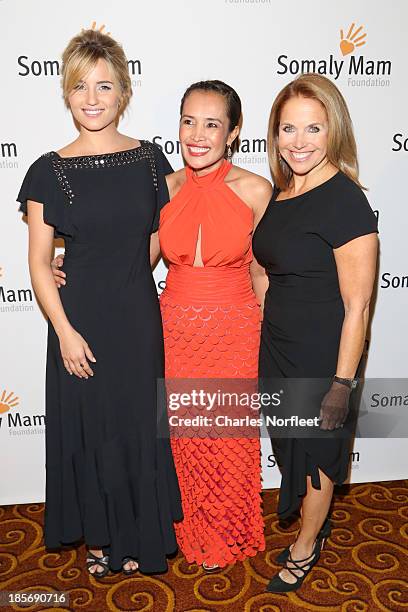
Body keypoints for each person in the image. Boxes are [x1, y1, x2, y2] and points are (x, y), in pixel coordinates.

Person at [54, 80, 272, 571]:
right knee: (182, 439)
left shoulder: (257, 190)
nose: (197, 134)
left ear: (234, 133)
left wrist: (271, 338)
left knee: (226, 436)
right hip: (173, 327)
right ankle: (183, 529)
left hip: (234, 328)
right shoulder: (163, 187)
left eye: (212, 124)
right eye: (188, 121)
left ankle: (225, 536)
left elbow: (262, 271)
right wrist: (65, 263)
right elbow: (133, 258)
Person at [16, 28, 182, 579]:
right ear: (66, 92)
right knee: (91, 429)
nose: (92, 98)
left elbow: (158, 239)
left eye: (104, 86)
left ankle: (138, 537)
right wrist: (63, 329)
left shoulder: (149, 160)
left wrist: (131, 273)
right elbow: (40, 262)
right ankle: (101, 536)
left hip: (136, 317)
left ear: (123, 93)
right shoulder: (49, 169)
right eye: (81, 86)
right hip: (78, 319)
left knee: (136, 426)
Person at [252, 73, 378, 592]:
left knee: (316, 457)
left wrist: (341, 385)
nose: (299, 142)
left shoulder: (345, 201)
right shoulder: (283, 193)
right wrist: (267, 318)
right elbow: (266, 267)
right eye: (288, 129)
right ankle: (313, 523)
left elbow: (359, 305)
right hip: (279, 345)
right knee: (291, 448)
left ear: (334, 132)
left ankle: (307, 544)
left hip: (324, 354)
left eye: (313, 129)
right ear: (275, 133)